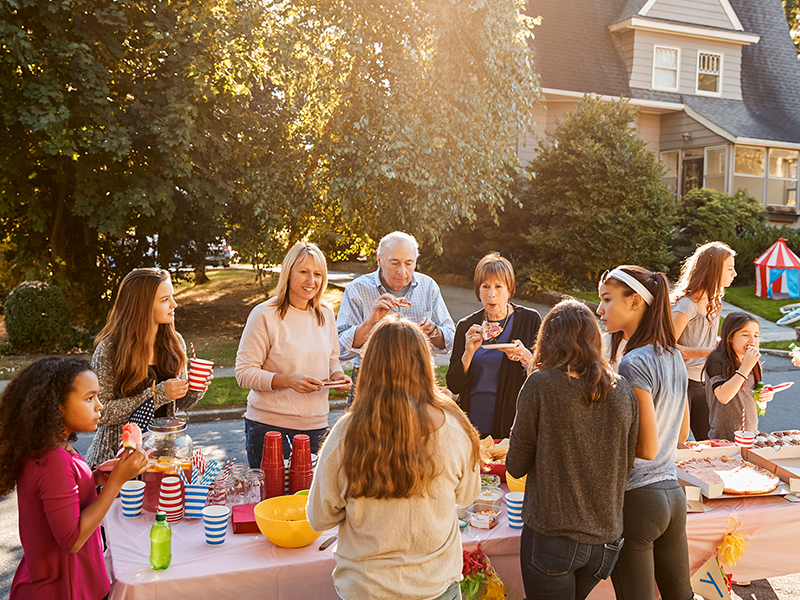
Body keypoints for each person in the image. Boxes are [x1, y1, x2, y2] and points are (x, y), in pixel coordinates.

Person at [307, 317, 480, 600]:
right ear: (425, 364)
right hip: (437, 586)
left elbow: (319, 517)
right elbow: (467, 495)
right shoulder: (455, 425)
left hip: (367, 588)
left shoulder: (346, 433)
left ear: (370, 367)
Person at [506, 299, 638, 600]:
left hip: (554, 536)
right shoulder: (623, 389)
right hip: (605, 540)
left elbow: (515, 465)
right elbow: (625, 465)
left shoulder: (541, 383)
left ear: (547, 340)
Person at [1, 357, 149, 600]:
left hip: (70, 582)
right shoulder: (53, 460)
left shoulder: (52, 447)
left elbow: (61, 498)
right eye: (89, 398)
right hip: (63, 589)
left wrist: (95, 479)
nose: (99, 406)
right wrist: (116, 483)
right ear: (56, 405)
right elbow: (72, 539)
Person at [597, 266, 693, 600]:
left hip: (638, 499)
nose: (599, 310)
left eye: (607, 300)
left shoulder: (633, 363)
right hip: (673, 496)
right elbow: (682, 435)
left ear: (636, 301)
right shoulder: (674, 357)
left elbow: (647, 448)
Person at [236, 242, 351, 464]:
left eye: (317, 274)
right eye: (304, 272)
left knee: (310, 498)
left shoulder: (325, 313)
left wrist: (337, 377)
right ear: (289, 273)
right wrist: (287, 381)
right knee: (273, 498)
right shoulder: (264, 314)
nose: (311, 281)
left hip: (316, 428)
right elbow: (243, 373)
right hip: (269, 429)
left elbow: (331, 359)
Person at [86, 268, 211, 466]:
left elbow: (178, 404)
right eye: (164, 300)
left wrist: (194, 389)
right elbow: (100, 413)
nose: (174, 304)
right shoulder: (109, 349)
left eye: (172, 297)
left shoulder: (174, 342)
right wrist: (158, 394)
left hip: (162, 458)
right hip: (115, 462)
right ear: (142, 307)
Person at [337, 231, 455, 400]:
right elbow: (339, 349)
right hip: (371, 381)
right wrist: (369, 323)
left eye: (409, 263)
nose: (402, 271)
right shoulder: (357, 290)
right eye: (394, 263)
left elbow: (450, 341)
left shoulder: (428, 287)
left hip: (418, 380)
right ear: (379, 260)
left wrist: (433, 330)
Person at [447, 252, 541, 438]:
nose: (491, 294)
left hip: (513, 423)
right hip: (471, 423)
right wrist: (468, 353)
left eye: (498, 286)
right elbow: (454, 385)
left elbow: (545, 376)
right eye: (485, 286)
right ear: (478, 290)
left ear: (509, 290)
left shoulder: (530, 320)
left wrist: (525, 357)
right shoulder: (467, 326)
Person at [671, 242, 737, 440]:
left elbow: (702, 340)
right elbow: (665, 346)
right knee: (678, 442)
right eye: (730, 269)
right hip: (681, 382)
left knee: (711, 441)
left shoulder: (713, 302)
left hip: (703, 381)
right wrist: (705, 352)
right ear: (714, 270)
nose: (734, 274)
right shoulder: (686, 306)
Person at [705, 312, 773, 440]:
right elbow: (723, 396)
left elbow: (748, 394)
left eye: (756, 335)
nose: (752, 340)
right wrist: (745, 368)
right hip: (724, 437)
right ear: (730, 337)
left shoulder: (751, 361)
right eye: (745, 335)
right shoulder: (717, 360)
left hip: (750, 434)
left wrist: (763, 394)